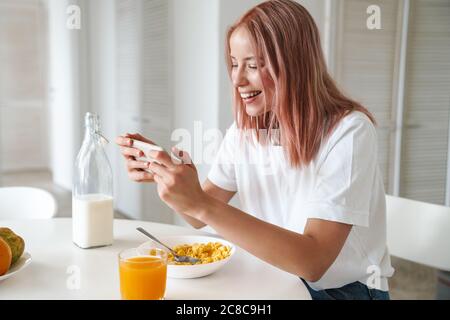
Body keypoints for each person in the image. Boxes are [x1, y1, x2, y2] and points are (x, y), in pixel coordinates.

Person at [116, 0, 394, 300]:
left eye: (252, 65)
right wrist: (170, 176)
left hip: (341, 291)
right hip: (272, 278)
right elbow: (200, 215)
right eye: (234, 64)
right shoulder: (246, 131)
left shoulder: (349, 132)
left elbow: (314, 262)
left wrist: (199, 203)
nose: (237, 79)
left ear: (294, 63)